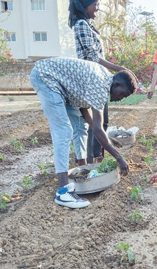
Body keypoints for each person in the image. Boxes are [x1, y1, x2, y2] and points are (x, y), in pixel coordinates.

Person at [30, 57, 137, 208]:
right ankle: (63, 192)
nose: (121, 99)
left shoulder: (103, 79)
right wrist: (119, 158)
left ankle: (81, 168)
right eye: (123, 94)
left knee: (80, 127)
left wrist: (108, 139)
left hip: (60, 86)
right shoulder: (101, 85)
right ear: (117, 84)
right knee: (63, 130)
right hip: (46, 78)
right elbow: (99, 130)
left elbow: (84, 110)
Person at [69, 0, 130, 164]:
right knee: (92, 125)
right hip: (89, 80)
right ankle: (91, 161)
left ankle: (98, 158)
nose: (98, 8)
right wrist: (120, 68)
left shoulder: (88, 25)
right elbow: (93, 58)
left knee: (102, 122)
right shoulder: (81, 24)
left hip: (97, 79)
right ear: (84, 5)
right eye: (95, 4)